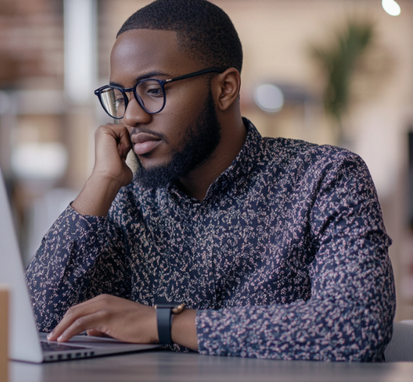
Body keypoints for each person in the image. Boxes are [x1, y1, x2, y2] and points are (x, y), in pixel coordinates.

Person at [25, 0, 395, 361]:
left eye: (153, 90)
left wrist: (165, 323)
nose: (131, 116)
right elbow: (36, 323)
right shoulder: (131, 202)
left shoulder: (325, 179)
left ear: (225, 88)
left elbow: (357, 325)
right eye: (120, 97)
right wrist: (102, 182)